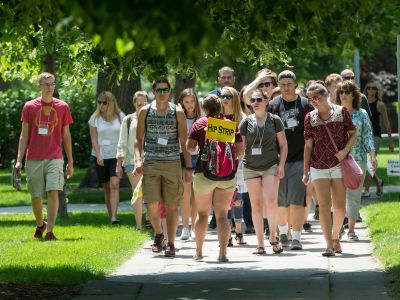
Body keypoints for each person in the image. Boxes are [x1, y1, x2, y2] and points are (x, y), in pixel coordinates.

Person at [133, 77, 193, 257]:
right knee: (151, 204)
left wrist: (188, 167)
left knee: (172, 205)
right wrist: (137, 160)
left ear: (170, 91)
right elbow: (138, 140)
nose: (162, 93)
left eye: (165, 90)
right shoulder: (145, 111)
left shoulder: (178, 111)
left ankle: (171, 243)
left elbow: (184, 141)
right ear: (153, 92)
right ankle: (159, 234)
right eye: (158, 90)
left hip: (172, 163)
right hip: (150, 163)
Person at [15, 72, 74, 241]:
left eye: (52, 84)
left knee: (53, 191)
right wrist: (19, 160)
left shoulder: (62, 106)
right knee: (36, 195)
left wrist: (70, 161)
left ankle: (50, 231)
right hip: (33, 157)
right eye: (46, 84)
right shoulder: (29, 107)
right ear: (39, 86)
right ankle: (40, 224)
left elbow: (66, 135)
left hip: (55, 157)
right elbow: (24, 135)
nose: (50, 87)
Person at [187, 94, 244, 262]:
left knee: (203, 213)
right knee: (222, 215)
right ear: (220, 107)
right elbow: (240, 152)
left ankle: (198, 252)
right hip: (227, 176)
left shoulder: (200, 123)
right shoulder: (229, 124)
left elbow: (190, 148)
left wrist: (200, 148)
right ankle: (223, 254)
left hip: (204, 174)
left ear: (204, 109)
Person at [303, 83, 357, 256]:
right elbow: (308, 147)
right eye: (310, 99)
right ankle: (328, 245)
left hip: (339, 165)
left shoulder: (342, 112)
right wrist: (306, 171)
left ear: (325, 95)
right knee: (324, 205)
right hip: (318, 166)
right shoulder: (310, 118)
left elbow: (353, 133)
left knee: (340, 207)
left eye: (316, 98)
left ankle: (335, 237)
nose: (313, 102)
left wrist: (344, 151)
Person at [268, 70, 313, 251]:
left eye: (289, 83)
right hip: (277, 160)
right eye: (283, 84)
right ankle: (284, 231)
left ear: (295, 84)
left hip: (299, 158)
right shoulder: (273, 105)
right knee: (280, 201)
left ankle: (296, 237)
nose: (286, 87)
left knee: (297, 199)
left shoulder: (304, 105)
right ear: (279, 85)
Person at [239, 89, 288, 254]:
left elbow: (283, 145)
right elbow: (241, 147)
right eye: (253, 100)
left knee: (271, 201)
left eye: (259, 99)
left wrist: (281, 165)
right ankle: (260, 244)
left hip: (270, 165)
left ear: (266, 101)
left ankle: (273, 238)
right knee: (256, 205)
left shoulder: (275, 120)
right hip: (250, 166)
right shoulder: (246, 122)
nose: (255, 102)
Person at [335, 80, 377, 241]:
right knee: (338, 196)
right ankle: (337, 229)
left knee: (354, 196)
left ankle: (351, 230)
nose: (344, 95)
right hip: (337, 160)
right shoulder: (334, 113)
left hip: (357, 159)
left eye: (347, 91)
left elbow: (367, 136)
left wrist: (372, 155)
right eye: (341, 92)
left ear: (354, 95)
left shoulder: (362, 114)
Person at [89, 91, 125, 224]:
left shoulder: (121, 117)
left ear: (111, 103)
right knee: (107, 187)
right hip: (101, 156)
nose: (101, 105)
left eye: (104, 102)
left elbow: (124, 138)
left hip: (116, 156)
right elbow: (94, 140)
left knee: (115, 184)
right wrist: (98, 155)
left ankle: (115, 217)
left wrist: (121, 157)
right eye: (99, 102)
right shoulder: (95, 118)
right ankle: (111, 216)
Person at [208, 66, 236, 229]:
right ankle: (217, 216)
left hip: (235, 141)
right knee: (217, 180)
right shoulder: (211, 96)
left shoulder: (238, 97)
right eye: (223, 77)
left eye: (229, 77)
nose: (226, 79)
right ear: (218, 79)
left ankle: (236, 218)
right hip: (216, 144)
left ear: (234, 78)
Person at [116, 91, 148, 230]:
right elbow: (122, 142)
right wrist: (118, 163)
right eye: (139, 104)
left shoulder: (152, 117)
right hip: (131, 161)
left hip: (150, 160)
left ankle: (149, 219)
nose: (141, 106)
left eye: (144, 104)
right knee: (137, 192)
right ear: (134, 103)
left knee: (150, 191)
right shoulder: (128, 120)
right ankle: (139, 225)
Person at [220, 86, 246, 246]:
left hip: (239, 160)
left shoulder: (242, 118)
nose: (225, 99)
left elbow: (245, 143)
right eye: (222, 96)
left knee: (238, 198)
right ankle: (227, 234)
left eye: (228, 96)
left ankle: (239, 231)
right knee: (224, 199)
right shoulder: (217, 118)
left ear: (235, 98)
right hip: (221, 161)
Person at [177, 88, 201, 240]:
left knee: (197, 195)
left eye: (192, 101)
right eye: (186, 102)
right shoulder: (178, 117)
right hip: (182, 157)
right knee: (185, 194)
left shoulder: (202, 117)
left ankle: (194, 227)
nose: (190, 105)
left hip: (199, 157)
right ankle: (185, 227)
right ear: (181, 103)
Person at [363, 80, 394, 197]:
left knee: (370, 162)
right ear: (366, 89)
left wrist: (390, 142)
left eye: (374, 88)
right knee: (363, 163)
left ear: (377, 90)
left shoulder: (380, 104)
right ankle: (379, 181)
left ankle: (366, 190)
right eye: (369, 88)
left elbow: (387, 123)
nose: (371, 90)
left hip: (375, 135)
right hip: (363, 136)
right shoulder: (361, 102)